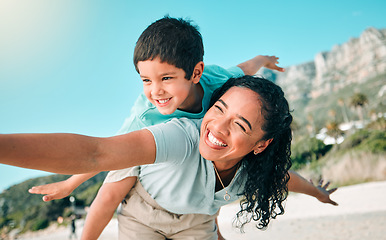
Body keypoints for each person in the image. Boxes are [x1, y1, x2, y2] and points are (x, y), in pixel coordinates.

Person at [27, 16, 285, 239]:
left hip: (195, 154)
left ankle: (212, 230)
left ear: (196, 73)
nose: (155, 91)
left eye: (166, 79)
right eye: (146, 80)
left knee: (208, 174)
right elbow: (100, 153)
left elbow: (245, 68)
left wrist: (263, 59)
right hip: (140, 143)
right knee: (111, 190)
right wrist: (70, 184)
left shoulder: (218, 79)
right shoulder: (146, 115)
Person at [0, 76, 337, 239]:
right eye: (219, 109)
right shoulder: (181, 136)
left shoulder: (254, 173)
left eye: (240, 125)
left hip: (197, 223)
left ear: (260, 145)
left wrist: (319, 194)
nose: (217, 127)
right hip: (144, 214)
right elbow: (96, 152)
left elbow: (285, 179)